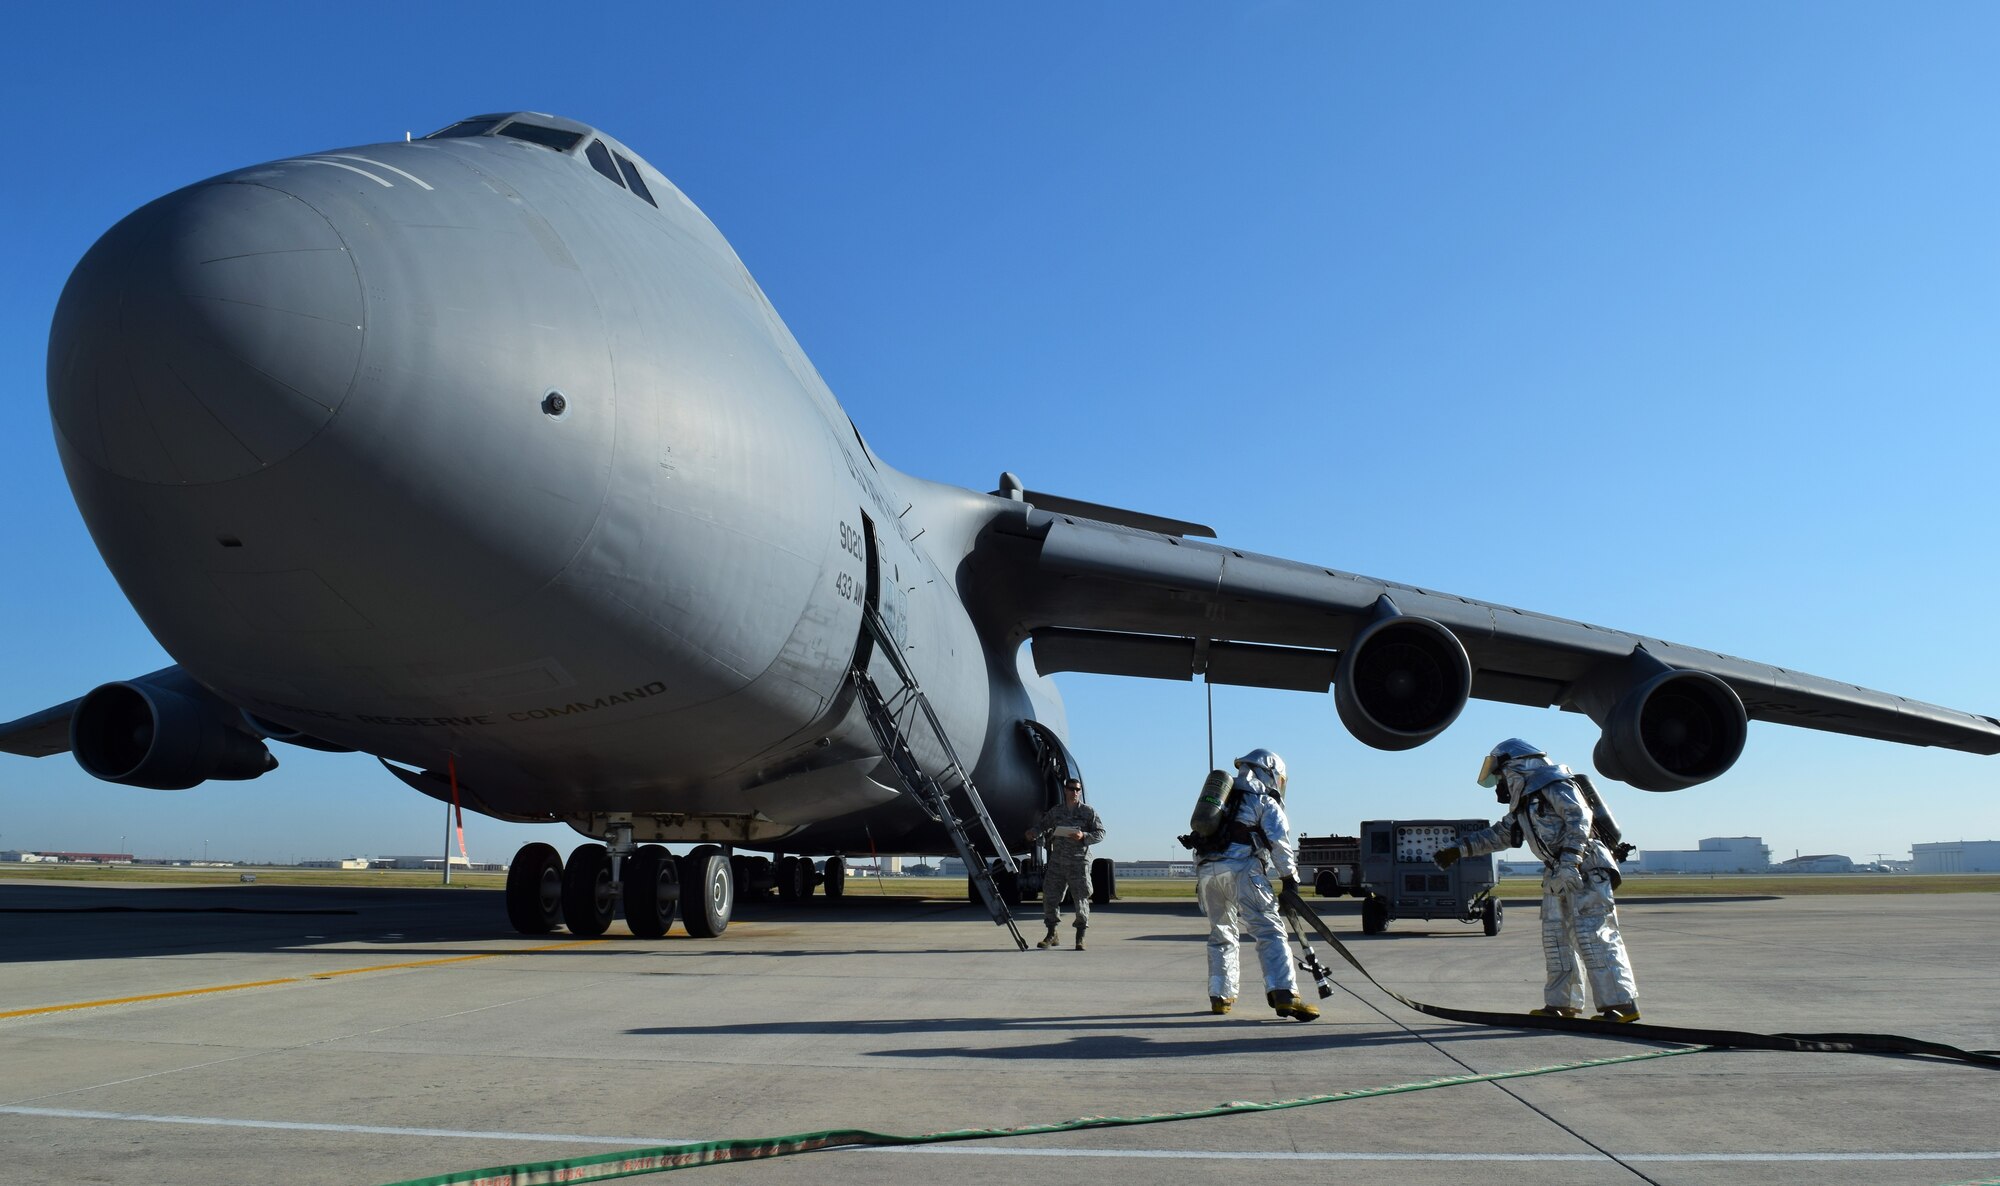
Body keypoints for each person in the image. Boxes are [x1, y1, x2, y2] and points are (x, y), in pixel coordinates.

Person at [1434, 738, 1641, 1022]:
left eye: (1500, 775)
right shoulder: (1524, 805)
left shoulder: (1556, 785)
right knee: (1555, 939)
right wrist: (1459, 849)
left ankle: (1622, 1004)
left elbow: (1579, 818)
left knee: (1593, 935)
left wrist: (1570, 861)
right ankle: (1562, 1003)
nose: (1499, 783)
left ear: (1514, 767)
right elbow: (1500, 835)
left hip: (1587, 867)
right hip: (1557, 871)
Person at [1195, 749, 1318, 1021]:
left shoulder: (1222, 800)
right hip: (1243, 869)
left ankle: (1221, 996)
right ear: (1270, 773)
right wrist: (1290, 880)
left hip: (1207, 873)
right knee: (1270, 931)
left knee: (1221, 933)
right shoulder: (1263, 800)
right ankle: (1284, 994)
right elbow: (1279, 842)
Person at [1025, 777, 1105, 950]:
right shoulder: (1056, 812)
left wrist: (1084, 836)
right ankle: (1052, 933)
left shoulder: (1088, 812)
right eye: (1071, 789)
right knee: (1050, 896)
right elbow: (1043, 826)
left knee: (1081, 898)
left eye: (1077, 790)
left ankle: (1080, 937)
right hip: (1058, 862)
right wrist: (1033, 832)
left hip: (1078, 862)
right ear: (1065, 790)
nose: (1074, 792)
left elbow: (1101, 833)